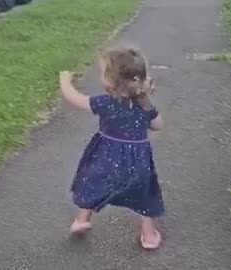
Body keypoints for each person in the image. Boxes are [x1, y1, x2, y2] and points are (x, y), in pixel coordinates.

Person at [59, 47, 165, 250]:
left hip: (105, 158)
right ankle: (149, 236)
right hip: (138, 163)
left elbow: (76, 99)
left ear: (111, 80)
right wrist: (148, 105)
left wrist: (65, 82)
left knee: (91, 184)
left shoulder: (105, 102)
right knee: (144, 195)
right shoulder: (144, 104)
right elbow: (158, 125)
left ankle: (81, 220)